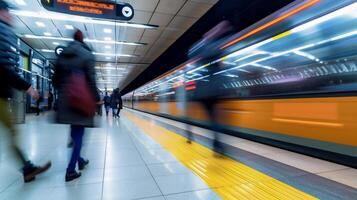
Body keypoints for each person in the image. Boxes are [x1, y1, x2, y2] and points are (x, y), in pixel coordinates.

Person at [0, 0, 51, 183]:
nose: (10, 15)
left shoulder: (6, 32)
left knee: (12, 133)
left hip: (3, 94)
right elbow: (3, 67)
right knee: (12, 133)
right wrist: (27, 86)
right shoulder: (2, 33)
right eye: (7, 12)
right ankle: (27, 169)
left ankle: (27, 169)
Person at [53, 29, 100, 182]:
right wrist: (97, 98)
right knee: (79, 134)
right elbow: (91, 80)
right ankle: (70, 170)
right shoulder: (87, 55)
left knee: (74, 131)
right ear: (82, 39)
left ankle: (79, 160)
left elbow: (55, 80)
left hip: (65, 100)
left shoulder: (62, 54)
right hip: (80, 98)